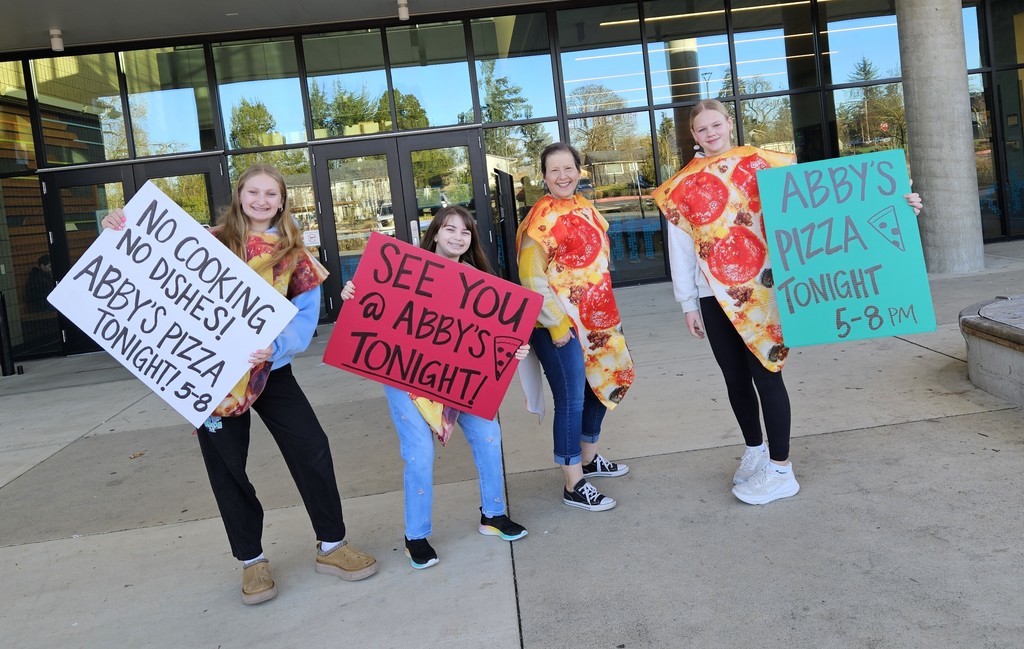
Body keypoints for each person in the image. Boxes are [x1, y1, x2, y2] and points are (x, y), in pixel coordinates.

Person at [102, 163, 376, 604]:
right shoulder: (205, 243)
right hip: (212, 378)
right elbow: (146, 266)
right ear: (239, 196)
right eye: (254, 192)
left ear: (283, 200)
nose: (262, 201)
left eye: (272, 193)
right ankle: (251, 560)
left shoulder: (296, 257)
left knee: (312, 448)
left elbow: (305, 321)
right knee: (227, 469)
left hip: (271, 371)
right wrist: (117, 228)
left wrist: (277, 347)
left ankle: (332, 545)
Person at [655, 99, 923, 505]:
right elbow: (681, 246)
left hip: (765, 289)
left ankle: (781, 470)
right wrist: (687, 302)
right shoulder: (682, 185)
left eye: (716, 125)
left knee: (767, 374)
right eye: (701, 129)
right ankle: (755, 451)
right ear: (693, 135)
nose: (710, 133)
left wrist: (897, 205)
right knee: (734, 378)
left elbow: (823, 206)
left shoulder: (767, 164)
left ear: (730, 124)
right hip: (713, 293)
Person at [341, 205, 529, 570]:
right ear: (435, 233)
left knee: (489, 434)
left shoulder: (478, 281)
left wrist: (515, 347)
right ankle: (416, 537)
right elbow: (372, 307)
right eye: (450, 229)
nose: (458, 237)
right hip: (406, 379)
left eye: (466, 232)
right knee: (419, 454)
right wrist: (353, 293)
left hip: (458, 379)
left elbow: (495, 337)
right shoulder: (402, 270)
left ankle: (493, 514)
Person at [515, 142, 635, 512]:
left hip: (597, 318)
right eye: (554, 170)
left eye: (569, 168)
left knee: (612, 379)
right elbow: (530, 277)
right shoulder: (540, 219)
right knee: (571, 399)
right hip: (559, 324)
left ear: (580, 171)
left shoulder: (586, 208)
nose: (563, 176)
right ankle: (573, 482)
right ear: (544, 177)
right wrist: (555, 325)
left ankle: (588, 457)